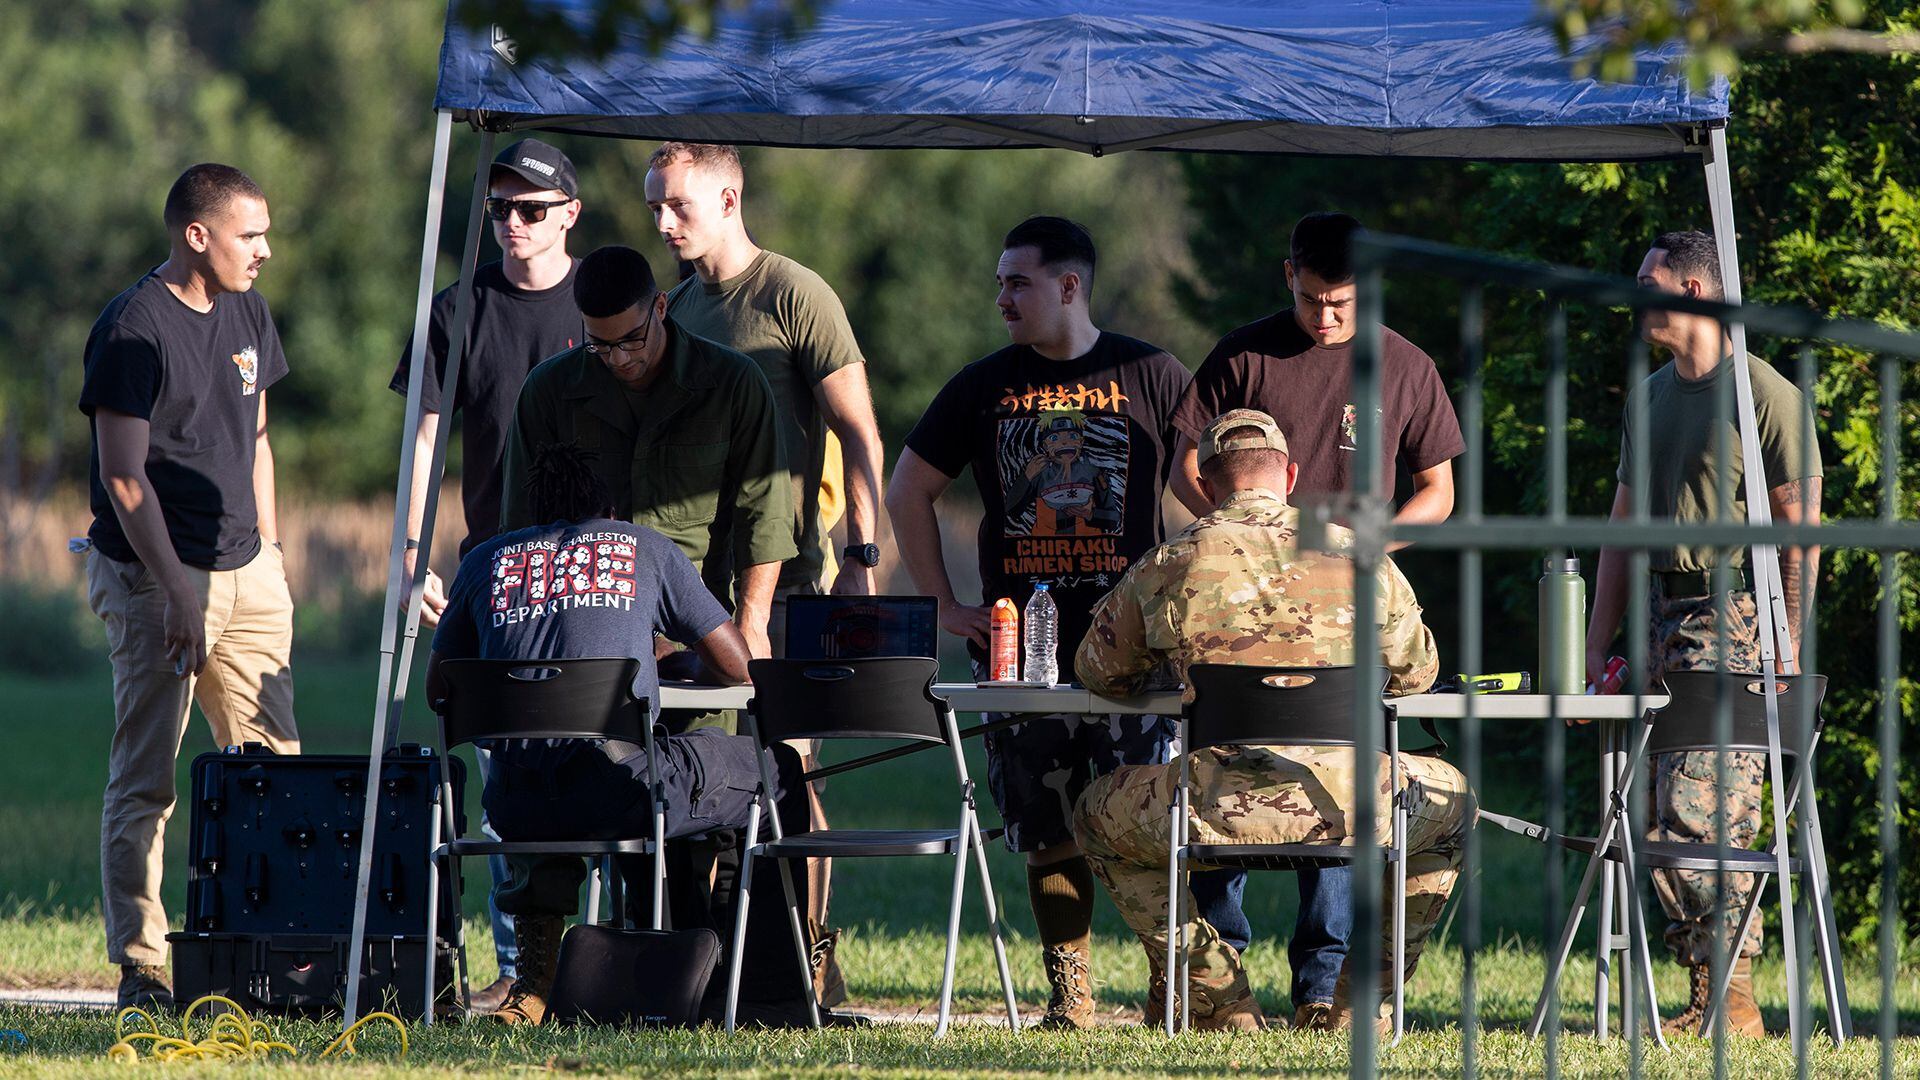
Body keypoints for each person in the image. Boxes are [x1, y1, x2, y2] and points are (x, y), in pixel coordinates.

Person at [888, 216, 1245, 1029]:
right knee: (1047, 824)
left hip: (1137, 652)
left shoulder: (1149, 374)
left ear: (1069, 285)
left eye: (1018, 282)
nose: (1002, 298)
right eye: (1000, 281)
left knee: (1152, 824)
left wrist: (1227, 590)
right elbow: (909, 489)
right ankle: (1070, 998)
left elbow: (1207, 501)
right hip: (1022, 651)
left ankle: (1170, 988)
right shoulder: (983, 383)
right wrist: (945, 603)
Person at [1073, 409, 1469, 1035]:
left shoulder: (1171, 561)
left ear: (1206, 482)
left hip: (1211, 807)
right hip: (1346, 806)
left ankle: (1216, 994)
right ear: (1289, 475)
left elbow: (1099, 672)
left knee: (1096, 812)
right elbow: (1418, 674)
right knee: (1454, 801)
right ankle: (1359, 1001)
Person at [1165, 211, 1465, 1024]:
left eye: (1343, 303)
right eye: (1311, 300)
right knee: (1220, 761)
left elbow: (1438, 491)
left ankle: (1324, 987)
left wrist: (1374, 542)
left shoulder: (1405, 365)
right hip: (1239, 609)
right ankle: (1220, 979)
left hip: (1347, 607)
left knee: (1339, 782)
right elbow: (1183, 460)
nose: (1326, 318)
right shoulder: (1244, 353)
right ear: (1286, 274)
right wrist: (1231, 533)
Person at [428, 441, 804, 1026]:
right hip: (623, 797)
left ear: (536, 513)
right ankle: (767, 985)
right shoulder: (643, 548)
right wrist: (670, 654)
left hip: (517, 809)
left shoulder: (485, 562)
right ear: (609, 508)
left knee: (551, 763)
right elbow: (736, 665)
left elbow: (439, 689)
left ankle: (536, 980)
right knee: (775, 767)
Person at [644, 141, 889, 1002]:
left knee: (791, 766)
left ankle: (810, 959)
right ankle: (716, 962)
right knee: (702, 768)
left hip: (786, 583)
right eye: (656, 207)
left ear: (730, 198)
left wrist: (864, 555)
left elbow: (860, 432)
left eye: (678, 205)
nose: (664, 221)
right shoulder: (671, 309)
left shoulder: (794, 295)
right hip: (689, 591)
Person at [1584, 229, 1823, 1038]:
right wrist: (1592, 648)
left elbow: (1800, 532)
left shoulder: (1767, 395)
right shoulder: (1648, 398)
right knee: (1656, 822)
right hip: (1659, 615)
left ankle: (1736, 998)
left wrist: (1786, 650)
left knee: (1708, 816)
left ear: (1690, 291)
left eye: (1645, 279)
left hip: (1738, 618)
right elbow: (1619, 533)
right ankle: (1706, 992)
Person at [79, 163, 300, 1010]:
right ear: (196, 236)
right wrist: (176, 592)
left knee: (275, 773)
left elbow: (259, 435)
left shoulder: (246, 304)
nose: (266, 250)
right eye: (252, 234)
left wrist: (270, 552)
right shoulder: (134, 330)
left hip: (251, 573)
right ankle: (143, 965)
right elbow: (124, 477)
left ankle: (277, 951)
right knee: (148, 781)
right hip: (153, 579)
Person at [387, 136, 587, 1013]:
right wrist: (408, 553)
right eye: (500, 209)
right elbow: (424, 440)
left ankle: (611, 959)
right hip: (498, 565)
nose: (513, 224)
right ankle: (521, 970)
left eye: (531, 210)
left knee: (607, 759)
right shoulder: (457, 309)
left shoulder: (606, 300)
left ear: (569, 215)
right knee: (510, 772)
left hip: (595, 562)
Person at [496, 244, 796, 656]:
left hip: (702, 633)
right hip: (586, 637)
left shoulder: (734, 383)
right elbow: (521, 529)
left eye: (632, 340)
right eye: (599, 344)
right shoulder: (549, 390)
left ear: (659, 307)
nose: (618, 358)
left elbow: (764, 514)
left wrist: (752, 621)